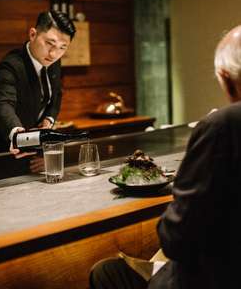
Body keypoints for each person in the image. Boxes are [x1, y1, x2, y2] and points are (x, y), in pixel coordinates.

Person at [90, 24, 241, 289]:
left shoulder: (222, 126)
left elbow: (177, 237)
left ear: (225, 76)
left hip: (212, 278)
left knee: (106, 273)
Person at [0, 11, 76, 172]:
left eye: (62, 47)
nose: (54, 54)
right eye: (49, 43)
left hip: (34, 161)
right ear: (33, 34)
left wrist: (48, 121)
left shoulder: (53, 61)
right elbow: (3, 105)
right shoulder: (9, 67)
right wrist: (17, 135)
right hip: (4, 158)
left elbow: (56, 95)